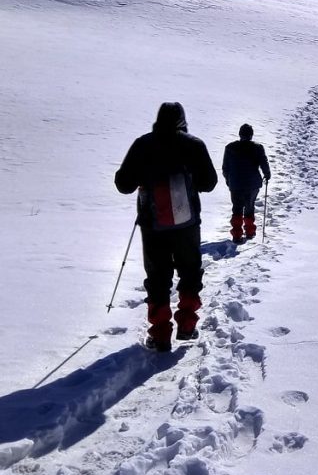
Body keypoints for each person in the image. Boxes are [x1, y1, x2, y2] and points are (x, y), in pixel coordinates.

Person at [115, 102, 217, 352]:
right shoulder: (194, 145)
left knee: (158, 277)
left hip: (153, 226)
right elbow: (210, 182)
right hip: (187, 223)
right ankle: (187, 325)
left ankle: (160, 334)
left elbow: (123, 184)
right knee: (190, 272)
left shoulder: (143, 144)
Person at [222, 123, 272, 243]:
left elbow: (225, 168)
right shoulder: (258, 147)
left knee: (237, 208)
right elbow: (263, 163)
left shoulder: (229, 148)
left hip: (235, 184)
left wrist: (229, 181)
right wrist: (267, 174)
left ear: (240, 134)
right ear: (251, 135)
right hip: (252, 184)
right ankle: (250, 232)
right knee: (249, 207)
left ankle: (237, 234)